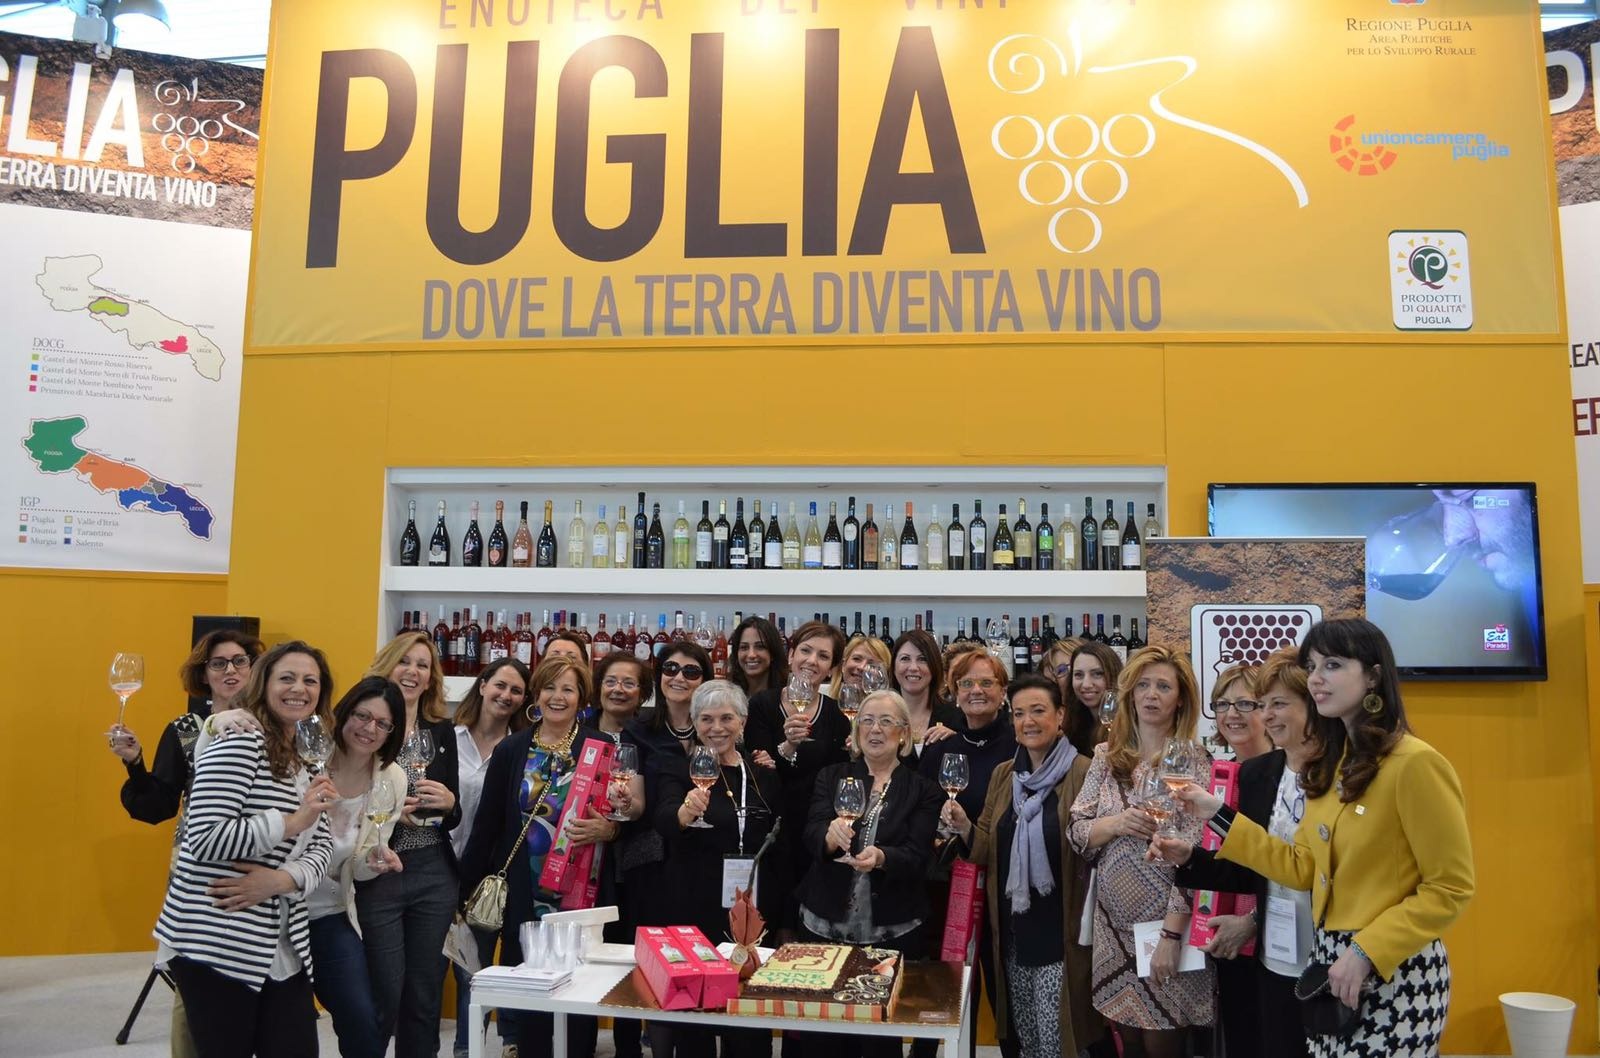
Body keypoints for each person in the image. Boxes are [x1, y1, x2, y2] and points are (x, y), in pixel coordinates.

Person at [1167, 619, 1475, 1058]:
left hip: (1394, 968)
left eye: (1332, 665)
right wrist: (1217, 813)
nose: (1316, 677)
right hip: (1329, 966)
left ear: (1373, 676)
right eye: (1312, 666)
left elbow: (1450, 887)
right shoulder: (1335, 766)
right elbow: (1301, 868)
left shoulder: (1414, 763)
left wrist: (1366, 951)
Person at [153, 641, 337, 1058]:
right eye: (287, 678)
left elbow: (322, 844)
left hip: (283, 944)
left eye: (310, 681)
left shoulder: (308, 756)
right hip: (218, 941)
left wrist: (283, 880)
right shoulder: (240, 742)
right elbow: (205, 837)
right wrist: (290, 823)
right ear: (263, 683)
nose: (299, 688)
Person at [1151, 648, 1333, 1058]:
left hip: (1325, 953)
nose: (1265, 715)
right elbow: (1248, 864)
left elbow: (1314, 870)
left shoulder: (1339, 773)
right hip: (1269, 954)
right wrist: (1188, 858)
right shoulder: (1251, 773)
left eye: (1273, 704)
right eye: (1224, 704)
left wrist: (1251, 920)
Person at [459, 654, 641, 1058]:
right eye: (549, 687)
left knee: (581, 998)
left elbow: (621, 818)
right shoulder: (512, 749)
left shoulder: (601, 747)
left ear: (582, 698)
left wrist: (611, 828)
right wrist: (462, 890)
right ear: (536, 695)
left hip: (582, 893)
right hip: (526, 891)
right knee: (533, 1000)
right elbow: (487, 824)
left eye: (568, 689)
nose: (557, 697)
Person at [108, 629, 264, 1058]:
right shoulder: (185, 730)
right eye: (218, 663)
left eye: (240, 661)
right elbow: (158, 805)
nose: (231, 670)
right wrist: (135, 763)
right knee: (196, 977)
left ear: (255, 669)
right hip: (200, 868)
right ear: (203, 674)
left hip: (263, 863)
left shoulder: (273, 724)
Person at [1067, 645, 1215, 1058]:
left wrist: (1171, 935)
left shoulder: (1194, 763)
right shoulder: (1106, 756)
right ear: (1130, 694)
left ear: (1180, 699)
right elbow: (1076, 831)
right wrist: (1116, 824)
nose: (1151, 695)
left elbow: (1198, 859)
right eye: (1143, 685)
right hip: (1112, 928)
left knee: (1163, 1041)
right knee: (1128, 1042)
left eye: (1163, 686)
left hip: (1166, 926)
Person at [945, 675, 1101, 1058]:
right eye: (1018, 714)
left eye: (1038, 711)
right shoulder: (1005, 774)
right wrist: (964, 826)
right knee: (1027, 1042)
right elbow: (985, 847)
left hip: (1062, 933)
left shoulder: (1085, 772)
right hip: (1014, 933)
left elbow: (1093, 847)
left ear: (1060, 716)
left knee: (1058, 1043)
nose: (1028, 721)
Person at [796, 689, 943, 1058]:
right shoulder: (831, 776)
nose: (875, 729)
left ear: (904, 734)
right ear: (856, 730)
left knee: (879, 1043)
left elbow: (919, 856)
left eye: (886, 722)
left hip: (890, 936)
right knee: (822, 1040)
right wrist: (828, 836)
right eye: (867, 721)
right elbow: (810, 832)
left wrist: (882, 857)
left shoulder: (923, 789)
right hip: (824, 928)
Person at [653, 681, 784, 1058]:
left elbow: (780, 845)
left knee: (748, 1022)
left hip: (750, 913)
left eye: (727, 718)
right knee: (696, 1020)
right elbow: (663, 819)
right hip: (694, 906)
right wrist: (685, 812)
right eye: (706, 719)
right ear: (694, 723)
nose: (717, 727)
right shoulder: (679, 770)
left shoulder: (763, 774)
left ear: (742, 722)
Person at [358, 632, 461, 1058]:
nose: (413, 672)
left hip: (433, 869)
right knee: (382, 989)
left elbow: (452, 813)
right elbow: (343, 797)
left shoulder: (441, 730)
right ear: (387, 664)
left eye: (423, 665)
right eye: (405, 661)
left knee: (424, 992)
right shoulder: (364, 724)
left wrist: (449, 803)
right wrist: (385, 812)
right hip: (379, 868)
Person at [309, 677, 410, 1058]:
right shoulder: (311, 758)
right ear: (345, 712)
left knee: (363, 1019)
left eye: (382, 723)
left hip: (330, 913)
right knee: (288, 1029)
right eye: (362, 716)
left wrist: (374, 861)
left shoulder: (391, 779)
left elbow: (361, 862)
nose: (370, 729)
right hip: (278, 908)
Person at [451, 658, 532, 1058]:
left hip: (493, 875)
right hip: (444, 865)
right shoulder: (449, 738)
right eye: (500, 685)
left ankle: (485, 1047)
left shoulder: (522, 749)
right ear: (482, 685)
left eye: (516, 690)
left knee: (484, 971)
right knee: (444, 973)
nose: (506, 695)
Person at [744, 620, 847, 931]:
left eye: (823, 656)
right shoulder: (762, 705)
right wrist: (788, 745)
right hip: (770, 828)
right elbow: (758, 769)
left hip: (813, 830)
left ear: (831, 669)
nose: (812, 661)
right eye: (805, 651)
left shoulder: (837, 715)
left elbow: (836, 775)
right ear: (790, 656)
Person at [591, 651, 651, 1058]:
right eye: (611, 681)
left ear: (642, 693)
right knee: (588, 956)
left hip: (635, 866)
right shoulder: (578, 733)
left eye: (630, 683)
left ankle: (629, 1044)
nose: (619, 689)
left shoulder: (649, 737)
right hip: (582, 863)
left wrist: (617, 826)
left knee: (630, 956)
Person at [890, 629, 960, 761]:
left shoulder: (956, 718)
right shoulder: (880, 718)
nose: (913, 667)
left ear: (934, 667)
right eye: (905, 659)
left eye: (922, 659)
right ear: (893, 667)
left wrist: (957, 742)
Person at [1065, 642, 1121, 758]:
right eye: (1079, 675)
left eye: (1097, 674)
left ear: (1114, 676)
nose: (1086, 684)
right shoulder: (1072, 722)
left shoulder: (1126, 726)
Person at [1208, 662, 1271, 762]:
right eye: (1222, 704)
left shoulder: (1290, 768)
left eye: (1244, 703)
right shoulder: (1218, 771)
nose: (1231, 714)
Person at [728, 615, 788, 699]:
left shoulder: (786, 697)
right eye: (744, 647)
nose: (751, 655)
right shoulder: (728, 697)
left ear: (773, 653)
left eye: (760, 647)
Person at [830, 632, 890, 700]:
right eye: (856, 659)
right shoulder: (826, 702)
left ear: (883, 673)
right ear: (843, 665)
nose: (861, 667)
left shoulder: (893, 706)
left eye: (871, 664)